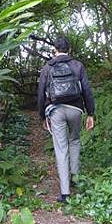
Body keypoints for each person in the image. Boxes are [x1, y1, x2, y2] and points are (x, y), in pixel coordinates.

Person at [37, 35, 95, 203]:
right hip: (76, 110)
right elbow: (87, 91)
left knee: (61, 148)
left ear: (54, 50)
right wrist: (90, 113)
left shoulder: (47, 68)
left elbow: (41, 94)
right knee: (75, 140)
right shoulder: (78, 65)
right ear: (69, 49)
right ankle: (76, 178)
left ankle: (65, 192)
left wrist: (42, 115)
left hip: (56, 111)